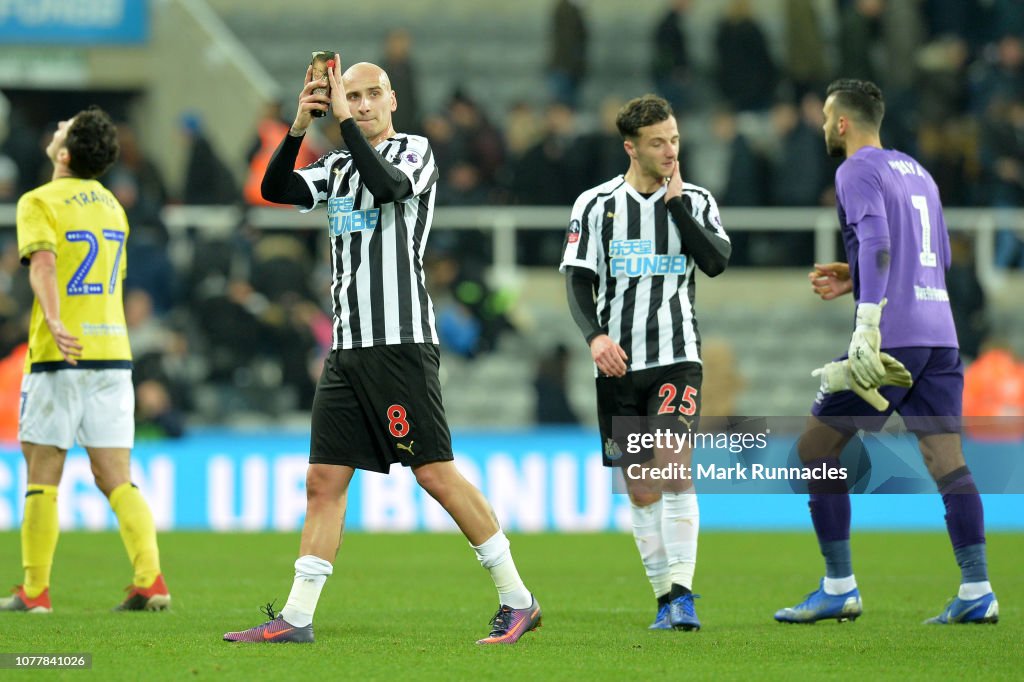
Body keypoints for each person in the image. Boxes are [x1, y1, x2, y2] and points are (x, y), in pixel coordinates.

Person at [223, 56, 540, 645]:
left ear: (392, 99)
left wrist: (340, 122)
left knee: (435, 473)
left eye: (371, 96)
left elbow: (389, 186)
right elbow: (274, 188)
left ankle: (518, 599)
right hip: (347, 347)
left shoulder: (414, 152)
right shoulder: (338, 164)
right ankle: (296, 616)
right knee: (322, 479)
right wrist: (298, 126)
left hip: (400, 342)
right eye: (352, 96)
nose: (362, 105)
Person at [774, 79, 1000, 625]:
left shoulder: (854, 169)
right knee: (948, 463)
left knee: (815, 450)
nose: (825, 125)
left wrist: (866, 323)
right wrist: (857, 279)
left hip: (892, 338)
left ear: (844, 123)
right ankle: (977, 590)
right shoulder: (918, 172)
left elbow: (878, 241)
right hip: (940, 335)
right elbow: (935, 256)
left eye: (828, 116)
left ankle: (839, 586)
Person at [560, 94, 731, 631]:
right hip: (618, 366)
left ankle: (684, 595)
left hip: (677, 357)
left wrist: (676, 204)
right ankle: (664, 598)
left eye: (675, 140)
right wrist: (594, 338)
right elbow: (577, 279)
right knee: (639, 486)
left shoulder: (697, 200)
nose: (670, 151)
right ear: (631, 147)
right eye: (658, 142)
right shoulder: (595, 205)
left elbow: (716, 262)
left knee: (673, 468)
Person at [0, 107, 170, 613]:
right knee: (117, 474)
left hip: (61, 355)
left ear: (66, 153)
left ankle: (35, 590)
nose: (54, 131)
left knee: (42, 471)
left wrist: (53, 319)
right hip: (114, 354)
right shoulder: (113, 207)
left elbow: (46, 267)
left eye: (62, 130)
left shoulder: (38, 201)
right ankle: (150, 579)